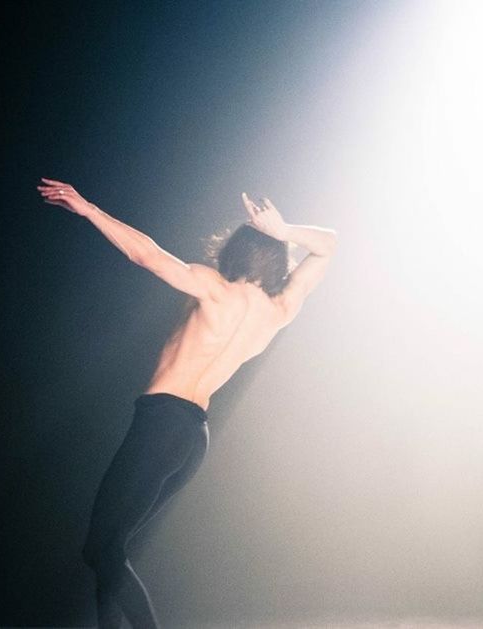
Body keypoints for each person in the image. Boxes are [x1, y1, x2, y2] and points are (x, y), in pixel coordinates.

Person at [37, 178, 338, 628]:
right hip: (193, 436)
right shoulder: (279, 311)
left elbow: (147, 254)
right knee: (110, 549)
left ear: (236, 251)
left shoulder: (215, 288)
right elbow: (330, 246)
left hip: (160, 425)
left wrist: (90, 209)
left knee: (101, 548)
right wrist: (286, 230)